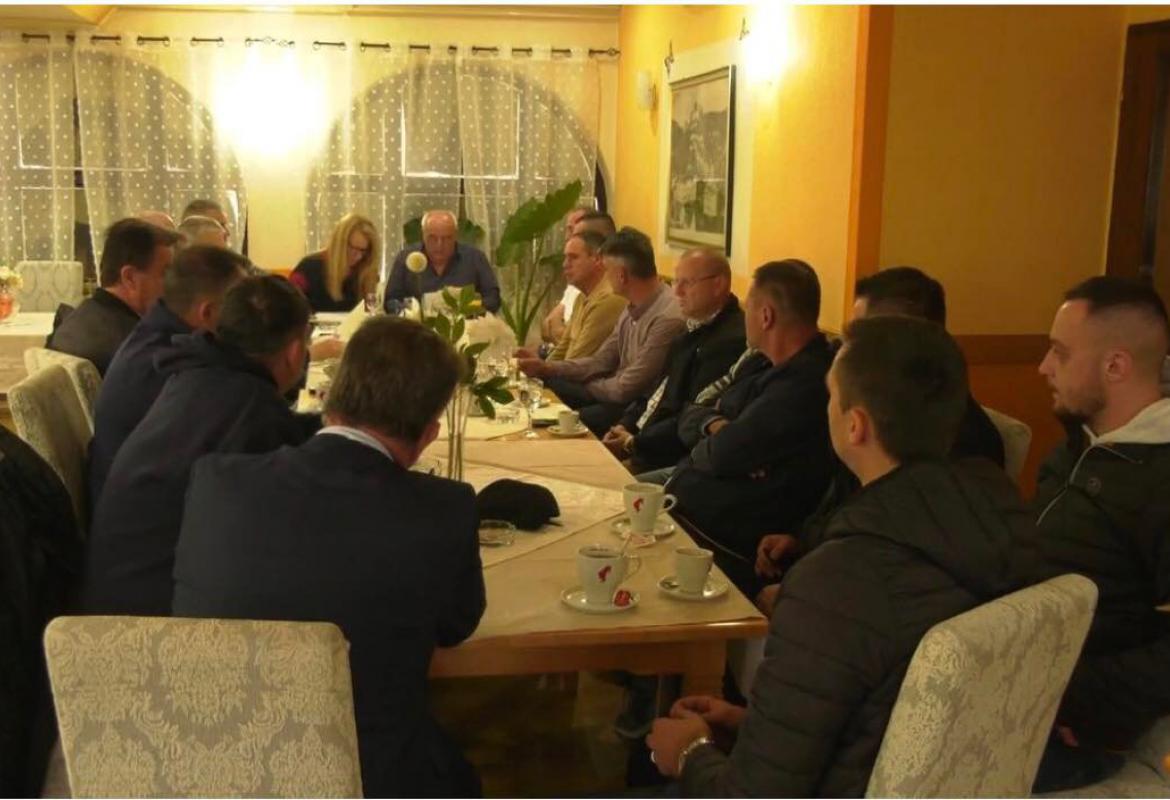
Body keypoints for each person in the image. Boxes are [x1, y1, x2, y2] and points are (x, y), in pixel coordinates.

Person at [646, 315, 1039, 796]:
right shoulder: (1007, 514)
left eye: (830, 396)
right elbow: (898, 714)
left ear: (855, 426)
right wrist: (754, 725)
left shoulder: (839, 580)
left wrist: (690, 754)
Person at [173, 316, 485, 797]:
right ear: (428, 434)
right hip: (366, 777)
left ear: (332, 397)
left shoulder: (217, 481)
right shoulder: (445, 509)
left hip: (214, 767)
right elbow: (455, 625)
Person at [754, 266, 1007, 609]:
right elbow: (846, 505)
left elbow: (910, 574)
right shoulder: (884, 413)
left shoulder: (957, 442)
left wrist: (799, 593)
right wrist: (801, 541)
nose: (845, 352)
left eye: (861, 339)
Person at [82, 275, 315, 616]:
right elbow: (280, 530)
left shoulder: (195, 375)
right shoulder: (253, 412)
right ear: (295, 353)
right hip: (149, 620)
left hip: (114, 587)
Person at [1030, 276, 1170, 789]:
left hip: (1083, 725)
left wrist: (1074, 699)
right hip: (1018, 677)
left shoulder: (1159, 479)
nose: (1044, 367)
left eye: (1060, 353)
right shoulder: (1074, 450)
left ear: (1115, 366)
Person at [669, 260, 834, 597]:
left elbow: (723, 454)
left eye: (748, 307)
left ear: (765, 316)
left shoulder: (804, 383)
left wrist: (716, 437)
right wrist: (716, 426)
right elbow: (691, 413)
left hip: (724, 540)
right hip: (690, 499)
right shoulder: (760, 362)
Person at [88, 245, 249, 505]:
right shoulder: (170, 362)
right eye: (239, 307)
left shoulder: (159, 334)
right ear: (207, 313)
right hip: (145, 517)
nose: (246, 317)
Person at [519, 227, 685, 436]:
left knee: (556, 421)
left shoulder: (667, 318)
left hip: (636, 410)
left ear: (621, 275)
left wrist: (586, 383)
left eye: (606, 271)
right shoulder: (631, 305)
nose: (604, 279)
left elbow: (625, 389)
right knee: (545, 382)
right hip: (612, 394)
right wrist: (546, 368)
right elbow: (600, 360)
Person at [602, 248, 745, 471]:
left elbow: (689, 415)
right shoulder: (690, 329)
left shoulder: (729, 341)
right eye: (676, 281)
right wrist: (623, 425)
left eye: (687, 283)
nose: (677, 291)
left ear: (718, 285)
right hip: (643, 441)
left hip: (669, 457)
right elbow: (655, 392)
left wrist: (633, 443)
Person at [47, 218, 181, 375]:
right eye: (165, 273)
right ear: (130, 278)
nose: (173, 285)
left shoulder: (78, 319)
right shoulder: (135, 347)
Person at [516, 231, 625, 364]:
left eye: (573, 257)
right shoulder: (580, 298)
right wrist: (539, 366)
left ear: (597, 259)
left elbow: (576, 362)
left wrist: (541, 369)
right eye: (565, 258)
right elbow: (562, 350)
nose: (565, 265)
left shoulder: (608, 300)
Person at [385, 209, 501, 313]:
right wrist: (414, 311)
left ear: (456, 235)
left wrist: (466, 307)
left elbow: (493, 299)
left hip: (466, 326)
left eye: (447, 238)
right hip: (417, 327)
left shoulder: (475, 258)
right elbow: (391, 301)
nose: (439, 245)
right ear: (423, 235)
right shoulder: (406, 258)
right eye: (432, 238)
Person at [291, 212, 380, 312]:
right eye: (352, 248)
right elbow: (289, 306)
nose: (358, 256)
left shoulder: (365, 272)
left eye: (363, 251)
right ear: (339, 244)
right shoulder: (308, 268)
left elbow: (371, 311)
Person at [541, 204, 595, 345]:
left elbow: (576, 345)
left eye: (572, 229)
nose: (567, 237)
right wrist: (561, 331)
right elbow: (546, 327)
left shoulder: (602, 294)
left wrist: (559, 331)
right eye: (567, 229)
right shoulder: (576, 283)